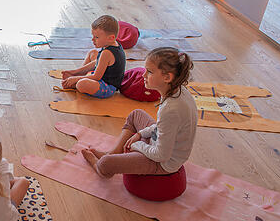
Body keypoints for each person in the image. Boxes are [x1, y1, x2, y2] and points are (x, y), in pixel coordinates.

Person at [81, 48, 197, 178]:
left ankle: (98, 165)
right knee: (135, 114)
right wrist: (140, 134)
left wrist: (136, 145)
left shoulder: (171, 109)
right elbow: (161, 127)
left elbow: (161, 155)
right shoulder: (177, 90)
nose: (143, 75)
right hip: (159, 143)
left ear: (167, 77)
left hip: (163, 163)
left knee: (106, 163)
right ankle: (113, 153)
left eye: (149, 72)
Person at [61, 15, 126, 98]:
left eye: (97, 37)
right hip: (99, 75)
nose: (92, 39)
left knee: (81, 84)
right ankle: (80, 76)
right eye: (93, 36)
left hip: (107, 86)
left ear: (111, 38)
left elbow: (96, 76)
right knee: (92, 53)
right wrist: (74, 72)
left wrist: (76, 78)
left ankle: (77, 81)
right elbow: (97, 63)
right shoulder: (111, 44)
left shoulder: (107, 53)